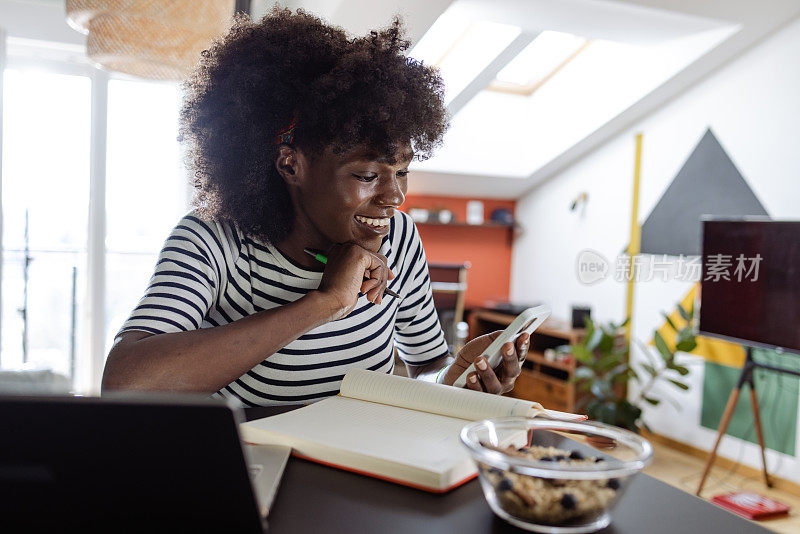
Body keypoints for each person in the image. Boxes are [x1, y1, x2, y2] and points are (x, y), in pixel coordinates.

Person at [102, 7, 530, 405]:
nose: (395, 197)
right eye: (367, 175)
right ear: (292, 165)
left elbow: (425, 371)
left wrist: (455, 374)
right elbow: (126, 383)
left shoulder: (397, 238)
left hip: (366, 470)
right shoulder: (213, 240)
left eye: (401, 171)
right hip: (255, 474)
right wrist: (325, 302)